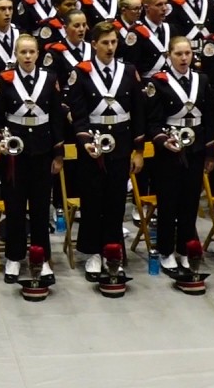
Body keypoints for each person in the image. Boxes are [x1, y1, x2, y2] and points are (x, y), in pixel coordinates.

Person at [68, 20, 146, 281]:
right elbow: (78, 115)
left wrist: (138, 150)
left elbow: (138, 112)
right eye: (105, 43)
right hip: (92, 144)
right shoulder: (81, 72)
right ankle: (92, 253)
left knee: (115, 202)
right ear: (94, 45)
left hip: (121, 144)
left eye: (114, 42)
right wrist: (84, 141)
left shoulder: (128, 70)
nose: (110, 47)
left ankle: (113, 252)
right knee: (92, 200)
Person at [0, 35, 65, 283]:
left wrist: (59, 154)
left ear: (38, 54)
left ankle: (41, 259)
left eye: (32, 52)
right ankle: (13, 257)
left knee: (41, 208)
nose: (28, 57)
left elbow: (57, 118)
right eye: (23, 52)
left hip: (42, 153)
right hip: (14, 155)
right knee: (15, 207)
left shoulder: (50, 79)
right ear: (16, 55)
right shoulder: (4, 80)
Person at [145, 36, 214, 276]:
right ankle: (166, 251)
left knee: (190, 202)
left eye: (188, 53)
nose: (184, 58)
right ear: (169, 56)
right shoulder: (159, 82)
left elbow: (209, 118)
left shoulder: (202, 79)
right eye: (178, 54)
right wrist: (163, 141)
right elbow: (153, 122)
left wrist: (210, 152)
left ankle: (186, 249)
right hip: (170, 149)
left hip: (196, 147)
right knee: (169, 202)